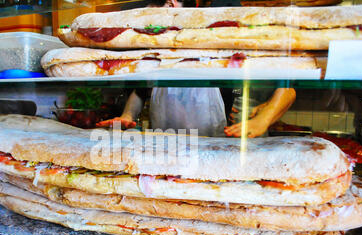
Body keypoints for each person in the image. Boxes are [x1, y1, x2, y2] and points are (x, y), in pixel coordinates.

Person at [96, 0, 296, 138]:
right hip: (168, 151)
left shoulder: (221, 38)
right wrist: (128, 116)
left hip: (219, 148)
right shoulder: (157, 48)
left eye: (151, 19)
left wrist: (262, 120)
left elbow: (287, 87)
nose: (149, 29)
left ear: (171, 4)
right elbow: (141, 89)